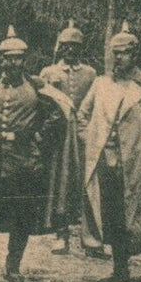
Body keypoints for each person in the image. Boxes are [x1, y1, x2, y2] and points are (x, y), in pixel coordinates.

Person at [0, 26, 81, 282]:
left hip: (23, 165)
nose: (13, 62)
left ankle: (12, 268)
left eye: (18, 58)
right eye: (8, 58)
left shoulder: (37, 88)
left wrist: (39, 141)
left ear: (24, 60)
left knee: (20, 215)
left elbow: (60, 114)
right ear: (1, 60)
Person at [77, 22, 141, 282]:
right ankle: (120, 269)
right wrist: (94, 142)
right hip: (108, 159)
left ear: (135, 55)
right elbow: (81, 117)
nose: (118, 58)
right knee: (112, 212)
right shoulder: (101, 84)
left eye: (124, 52)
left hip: (140, 159)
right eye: (114, 53)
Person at [41, 20, 98, 254]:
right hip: (59, 137)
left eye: (75, 46)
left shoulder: (91, 74)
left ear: (81, 49)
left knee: (87, 183)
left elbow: (95, 105)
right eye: (66, 46)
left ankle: (91, 239)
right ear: (60, 48)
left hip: (84, 135)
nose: (70, 50)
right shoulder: (49, 72)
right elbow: (42, 105)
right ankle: (61, 234)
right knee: (60, 182)